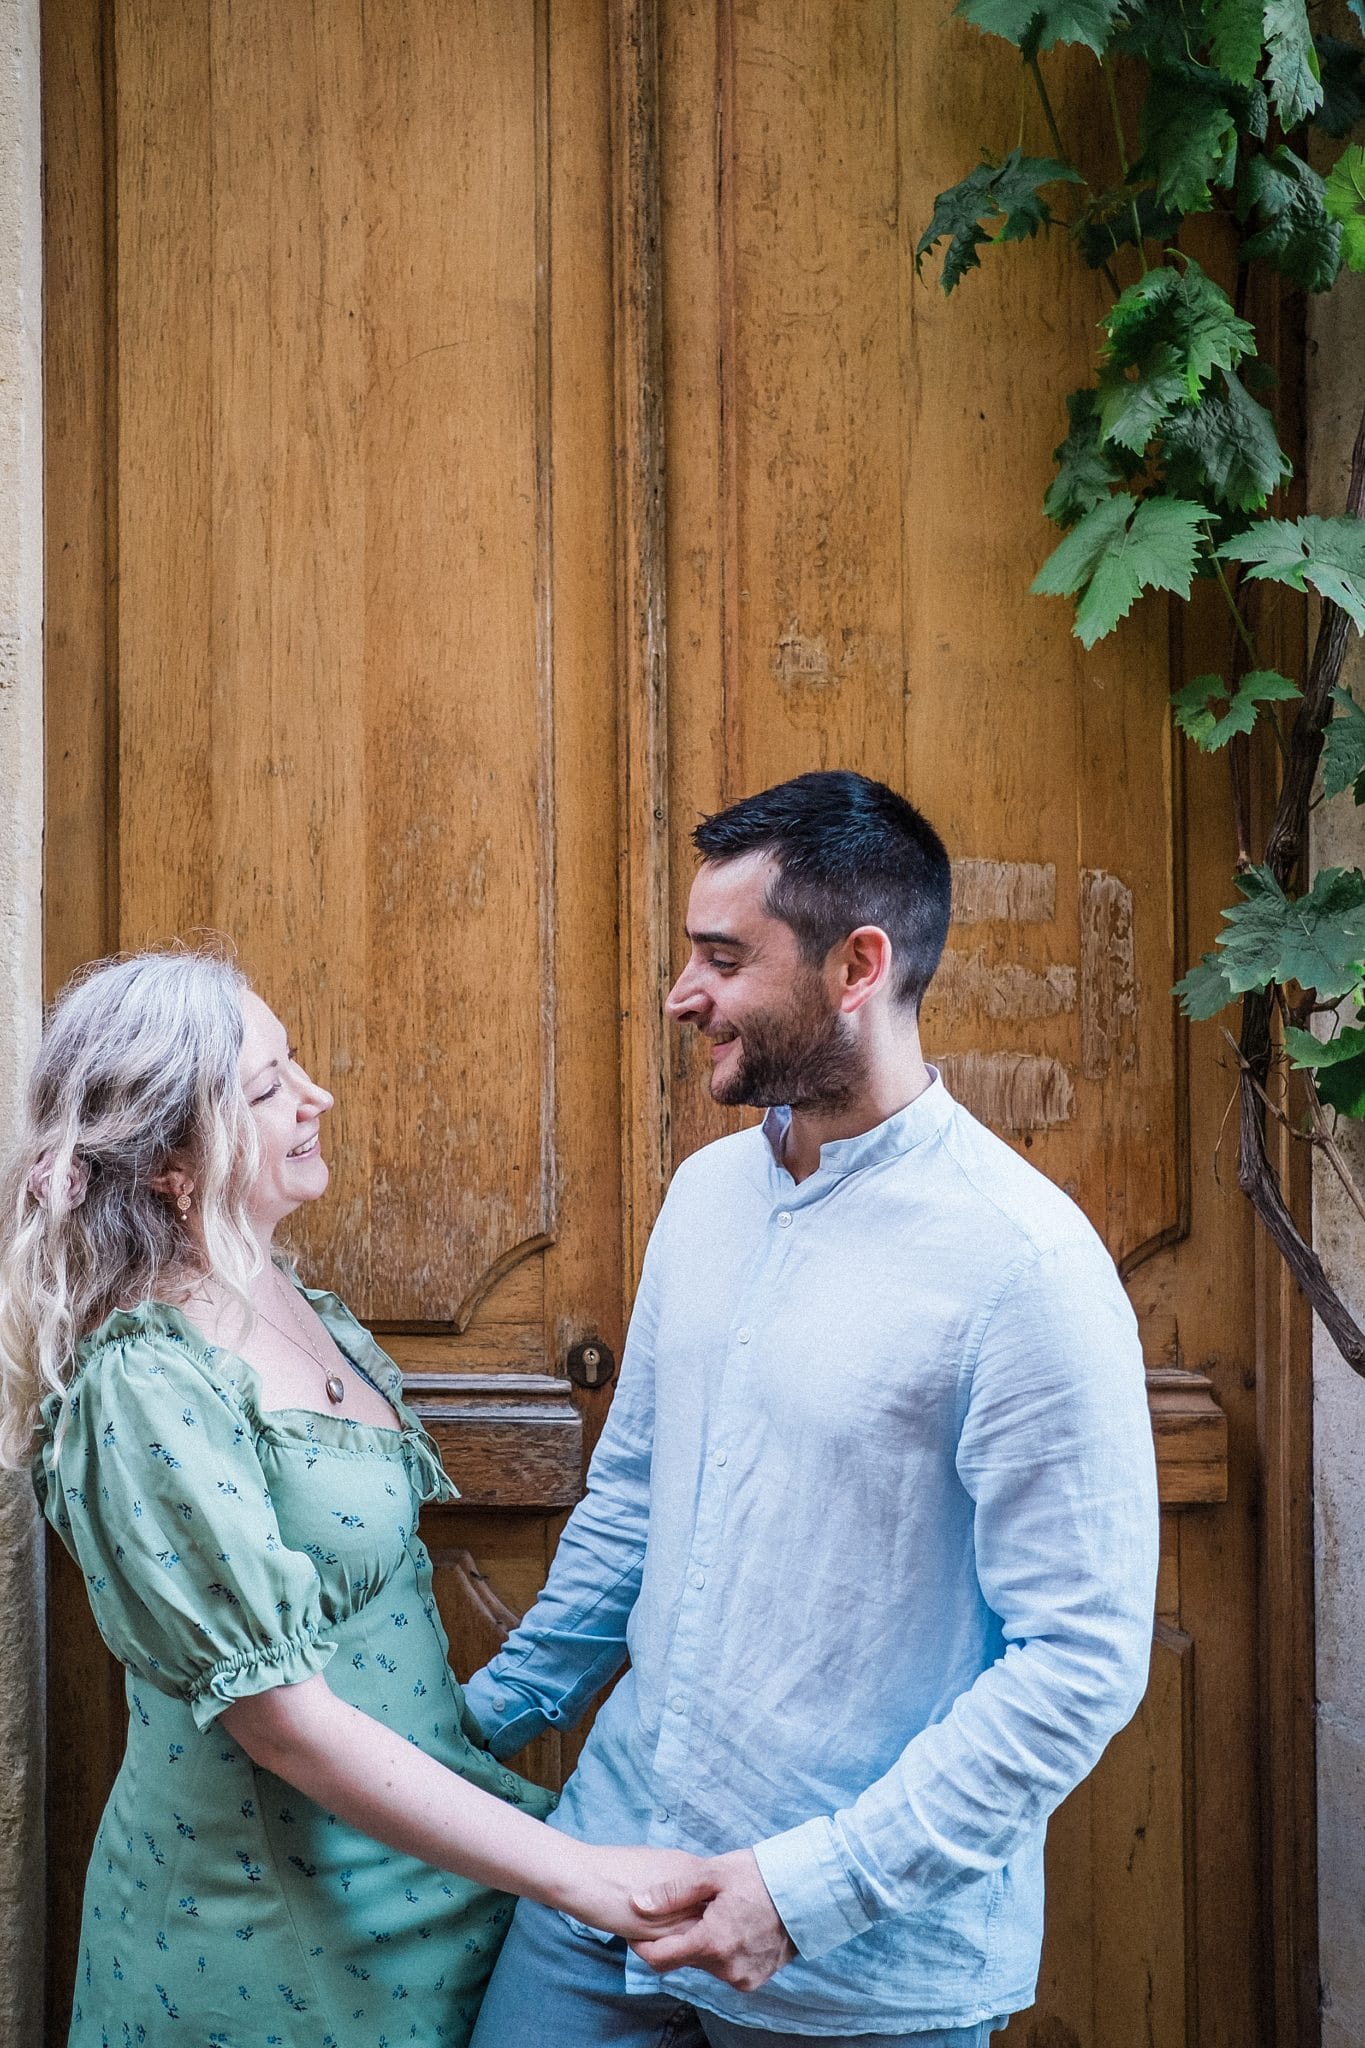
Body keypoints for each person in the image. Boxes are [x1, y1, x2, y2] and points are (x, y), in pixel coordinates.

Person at [464, 770, 1161, 2048]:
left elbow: (1079, 1661)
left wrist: (804, 1893)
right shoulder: (706, 1195)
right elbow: (631, 1499)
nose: (684, 993)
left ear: (859, 964)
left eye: (723, 958)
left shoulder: (1027, 1266)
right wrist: (479, 1724)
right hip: (603, 1882)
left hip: (860, 1970)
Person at [0, 948, 705, 2048]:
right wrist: (591, 1880)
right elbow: (282, 1721)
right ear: (174, 1158)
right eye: (270, 1085)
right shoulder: (145, 1374)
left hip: (421, 1885)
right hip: (263, 1925)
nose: (315, 1096)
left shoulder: (288, 1294)